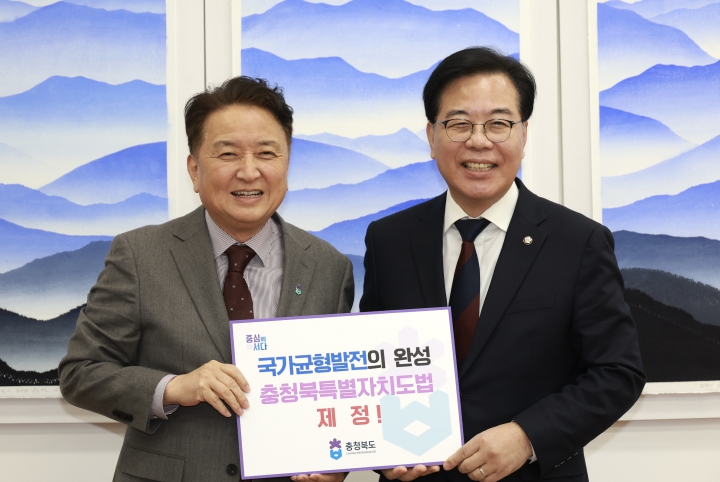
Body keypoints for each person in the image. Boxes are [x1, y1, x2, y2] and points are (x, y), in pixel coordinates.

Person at [360, 47, 645, 482]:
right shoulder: (390, 240)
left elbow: (617, 373)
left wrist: (527, 436)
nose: (479, 141)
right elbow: (372, 365)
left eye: (498, 123)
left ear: (524, 134)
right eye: (459, 124)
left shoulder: (577, 242)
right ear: (432, 136)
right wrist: (383, 452)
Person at [59, 77, 354, 482]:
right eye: (228, 153)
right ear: (195, 170)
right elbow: (81, 373)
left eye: (266, 153)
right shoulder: (141, 255)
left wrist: (335, 464)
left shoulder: (329, 267)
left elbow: (336, 387)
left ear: (286, 164)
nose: (249, 171)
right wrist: (175, 387)